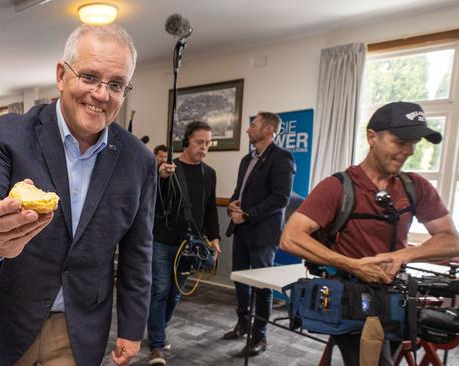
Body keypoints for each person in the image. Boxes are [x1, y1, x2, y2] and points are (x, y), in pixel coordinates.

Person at [0, 24, 155, 366]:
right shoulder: (8, 133)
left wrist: (133, 327)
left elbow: (139, 250)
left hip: (79, 327)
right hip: (8, 319)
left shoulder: (139, 160)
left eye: (116, 84)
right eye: (89, 77)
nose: (102, 94)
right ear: (62, 75)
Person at [280, 101, 459, 365]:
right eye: (400, 142)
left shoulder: (415, 187)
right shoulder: (337, 187)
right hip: (350, 298)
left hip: (395, 297)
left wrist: (404, 255)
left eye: (413, 143)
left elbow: (451, 240)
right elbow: (291, 237)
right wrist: (353, 265)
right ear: (372, 137)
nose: (408, 151)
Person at [147, 121, 221, 365]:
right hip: (163, 240)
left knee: (175, 294)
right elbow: (151, 202)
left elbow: (210, 209)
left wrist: (215, 238)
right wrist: (160, 177)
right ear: (186, 141)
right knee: (160, 289)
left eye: (208, 143)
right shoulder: (168, 169)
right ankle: (157, 344)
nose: (204, 148)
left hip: (191, 245)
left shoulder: (209, 173)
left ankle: (157, 329)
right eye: (200, 142)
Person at [222, 112, 295, 357]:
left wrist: (249, 215)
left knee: (261, 286)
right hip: (241, 228)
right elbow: (239, 190)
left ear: (268, 130)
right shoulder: (247, 159)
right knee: (240, 279)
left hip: (262, 232)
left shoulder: (282, 158)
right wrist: (232, 204)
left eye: (253, 125)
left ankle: (259, 336)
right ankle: (243, 323)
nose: (247, 130)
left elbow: (280, 199)